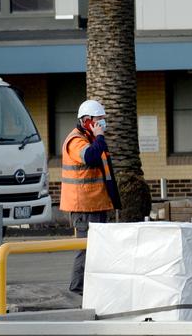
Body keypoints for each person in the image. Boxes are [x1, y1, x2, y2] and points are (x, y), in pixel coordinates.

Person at [61, 99, 120, 296]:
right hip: (84, 207)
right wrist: (100, 137)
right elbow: (90, 157)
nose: (103, 123)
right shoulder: (76, 141)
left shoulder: (92, 140)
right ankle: (76, 291)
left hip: (98, 204)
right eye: (99, 120)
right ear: (87, 121)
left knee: (98, 251)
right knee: (85, 250)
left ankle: (91, 290)